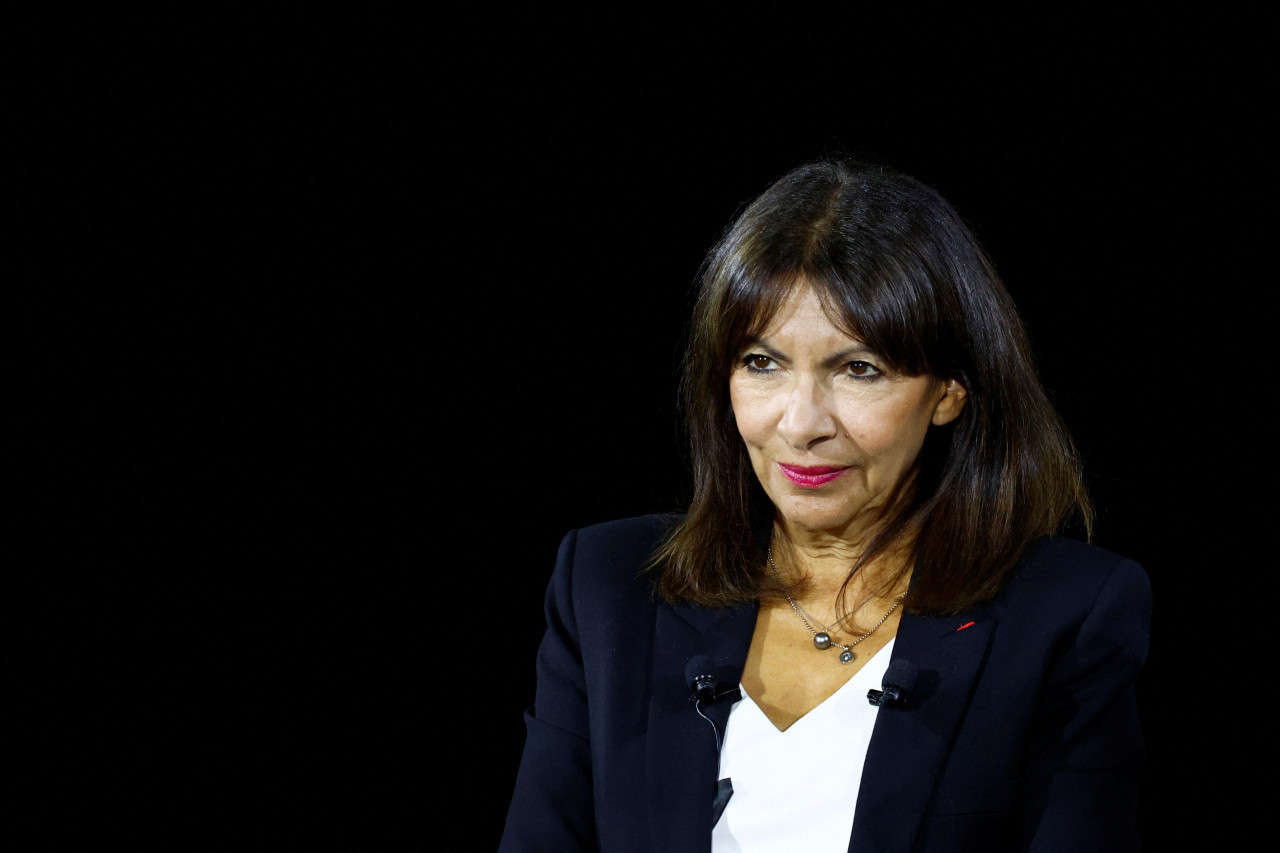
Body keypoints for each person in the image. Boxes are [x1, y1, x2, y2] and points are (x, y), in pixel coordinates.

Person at [498, 159, 1151, 852]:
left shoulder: (1066, 618)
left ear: (948, 393)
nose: (801, 422)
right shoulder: (606, 589)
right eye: (762, 362)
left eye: (857, 369)